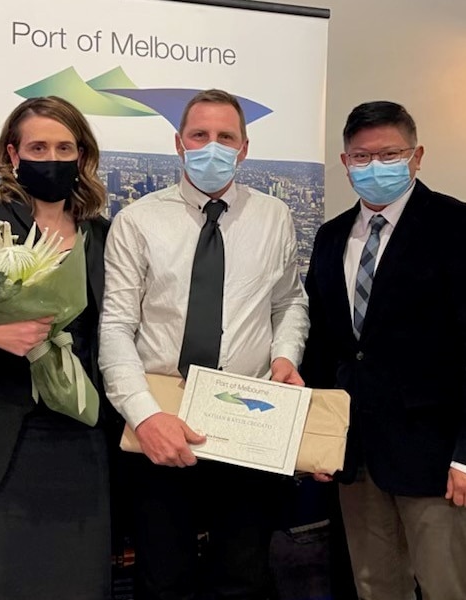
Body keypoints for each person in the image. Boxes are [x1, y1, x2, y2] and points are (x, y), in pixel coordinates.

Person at [301, 100, 466, 600]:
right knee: (375, 586)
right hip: (355, 455)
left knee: (449, 587)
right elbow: (323, 347)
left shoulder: (461, 226)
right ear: (344, 162)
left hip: (438, 458)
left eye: (389, 154)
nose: (374, 166)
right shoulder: (332, 236)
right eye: (361, 157)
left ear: (416, 156)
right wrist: (318, 438)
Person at [99, 89, 309, 599]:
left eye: (225, 137)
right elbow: (115, 328)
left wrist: (286, 355)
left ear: (244, 148)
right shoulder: (137, 221)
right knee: (163, 578)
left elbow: (290, 303)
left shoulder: (274, 216)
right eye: (200, 136)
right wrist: (145, 416)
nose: (212, 147)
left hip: (246, 419)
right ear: (179, 143)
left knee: (244, 575)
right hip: (162, 418)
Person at [0, 96, 114, 600]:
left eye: (64, 147)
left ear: (81, 156)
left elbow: (112, 335)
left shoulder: (101, 235)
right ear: (13, 154)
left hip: (80, 440)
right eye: (38, 146)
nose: (51, 158)